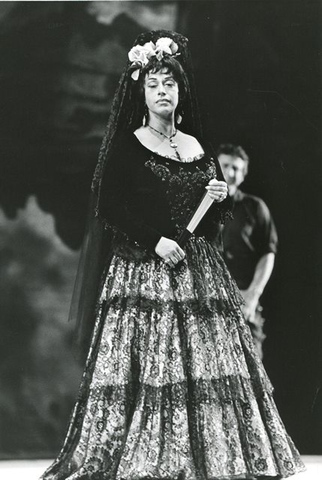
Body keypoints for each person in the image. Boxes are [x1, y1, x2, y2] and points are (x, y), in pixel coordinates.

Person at [40, 30, 304, 480]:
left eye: (170, 84)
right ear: (141, 93)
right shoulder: (129, 145)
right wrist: (153, 240)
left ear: (181, 91)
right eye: (154, 84)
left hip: (199, 274)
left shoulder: (199, 147)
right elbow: (109, 208)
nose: (163, 91)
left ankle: (215, 457)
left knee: (207, 367)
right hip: (144, 271)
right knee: (154, 369)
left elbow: (212, 220)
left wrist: (218, 199)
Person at [217, 144, 278, 359]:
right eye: (224, 166)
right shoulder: (198, 206)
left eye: (236, 168)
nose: (230, 173)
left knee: (252, 375)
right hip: (206, 302)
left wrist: (252, 295)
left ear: (243, 175)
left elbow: (267, 253)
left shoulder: (255, 207)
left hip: (243, 303)